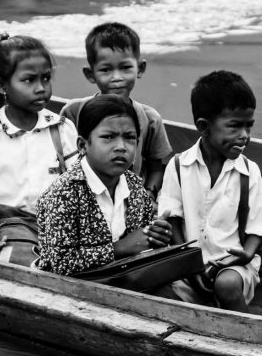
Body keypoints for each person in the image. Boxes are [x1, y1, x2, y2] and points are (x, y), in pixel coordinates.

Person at [157, 71, 262, 312]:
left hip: (236, 266)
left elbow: (259, 228)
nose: (244, 136)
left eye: (248, 126)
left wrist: (245, 255)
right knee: (159, 288)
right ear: (203, 127)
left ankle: (243, 337)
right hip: (189, 262)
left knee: (227, 284)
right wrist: (189, 265)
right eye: (234, 127)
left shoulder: (250, 172)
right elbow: (174, 220)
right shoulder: (178, 167)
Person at [0, 34, 78, 260]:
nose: (41, 88)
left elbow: (76, 186)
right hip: (8, 223)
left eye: (46, 78)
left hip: (58, 225)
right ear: (1, 85)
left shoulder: (62, 129)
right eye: (29, 80)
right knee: (20, 261)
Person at [36, 95, 172, 275]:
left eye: (130, 137)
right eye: (108, 137)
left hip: (128, 280)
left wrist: (156, 235)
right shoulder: (63, 193)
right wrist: (119, 248)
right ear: (83, 145)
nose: (121, 147)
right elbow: (60, 263)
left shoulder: (135, 186)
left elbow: (142, 242)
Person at [60, 22, 172, 198]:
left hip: (131, 203)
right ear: (91, 74)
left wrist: (147, 196)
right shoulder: (73, 113)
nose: (117, 78)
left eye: (126, 68)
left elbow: (156, 169)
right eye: (106, 70)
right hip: (80, 201)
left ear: (140, 69)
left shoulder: (150, 119)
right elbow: (61, 162)